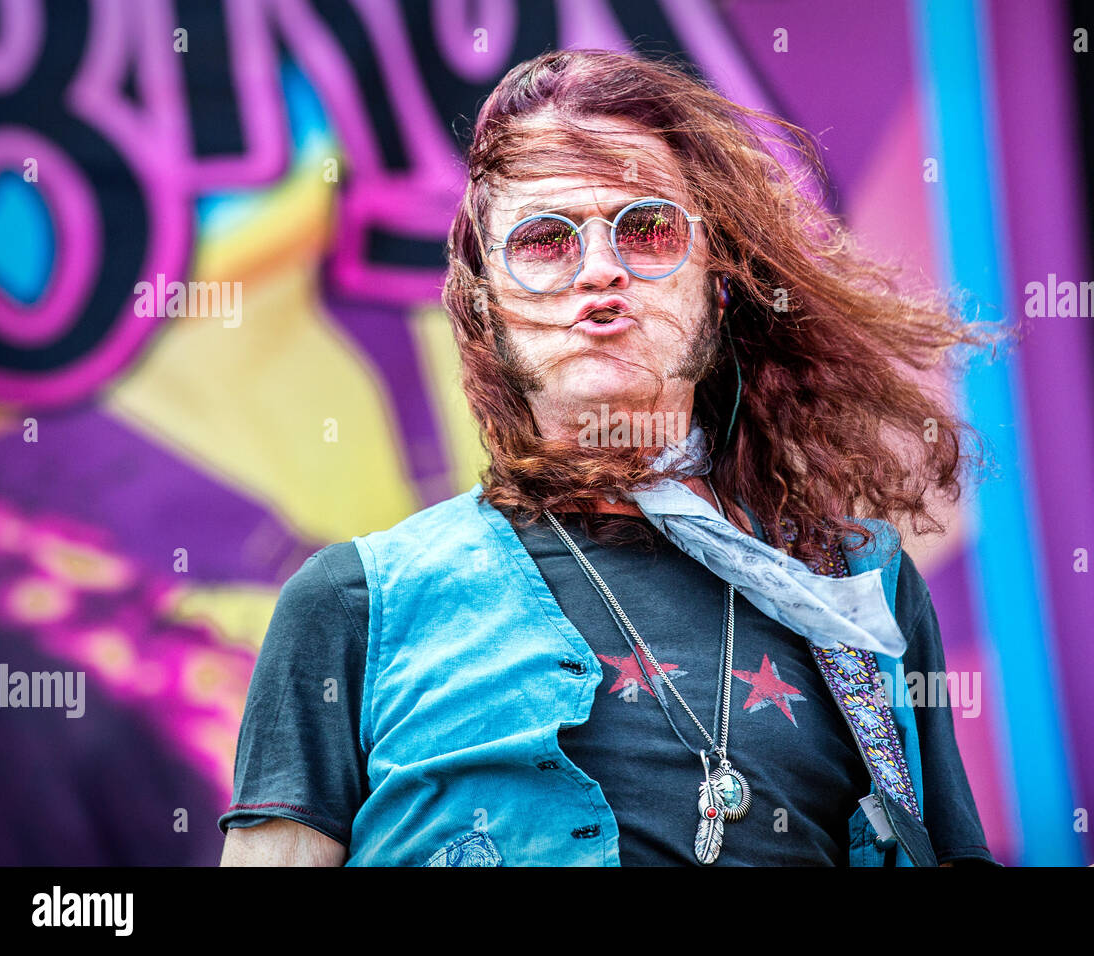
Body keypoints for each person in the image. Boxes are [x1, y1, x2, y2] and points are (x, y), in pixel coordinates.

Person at [218, 48, 998, 867]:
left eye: (649, 228)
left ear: (717, 281)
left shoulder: (857, 593)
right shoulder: (351, 606)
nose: (601, 273)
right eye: (545, 241)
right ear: (486, 303)